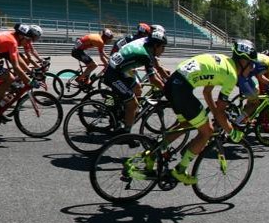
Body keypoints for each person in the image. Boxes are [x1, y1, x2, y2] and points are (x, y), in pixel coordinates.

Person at [149, 40, 255, 185]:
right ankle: (180, 170)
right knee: (207, 132)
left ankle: (151, 155)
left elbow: (207, 93)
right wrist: (231, 132)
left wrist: (216, 114)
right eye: (251, 64)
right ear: (243, 62)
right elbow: (220, 112)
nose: (252, 69)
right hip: (182, 89)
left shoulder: (224, 61)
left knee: (185, 123)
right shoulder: (231, 76)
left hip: (173, 83)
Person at [101, 28, 166, 133]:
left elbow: (157, 68)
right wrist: (167, 90)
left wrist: (166, 81)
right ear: (155, 46)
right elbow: (153, 79)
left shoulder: (146, 42)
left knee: (138, 88)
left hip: (119, 69)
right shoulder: (145, 55)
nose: (164, 50)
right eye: (163, 47)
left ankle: (122, 111)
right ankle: (126, 133)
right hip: (113, 74)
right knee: (133, 104)